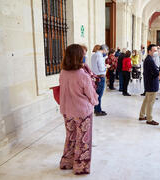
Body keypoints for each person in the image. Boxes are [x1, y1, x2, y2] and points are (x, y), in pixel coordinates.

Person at [59, 44, 98, 175]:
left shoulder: (63, 72)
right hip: (82, 111)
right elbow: (91, 94)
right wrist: (95, 102)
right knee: (83, 139)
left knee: (70, 137)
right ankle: (80, 167)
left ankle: (66, 162)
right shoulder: (82, 75)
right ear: (79, 56)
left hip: (66, 110)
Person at [139, 44, 160, 125]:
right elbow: (155, 73)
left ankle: (142, 115)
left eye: (156, 50)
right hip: (152, 84)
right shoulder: (150, 60)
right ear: (149, 51)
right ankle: (149, 119)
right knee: (150, 102)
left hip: (148, 83)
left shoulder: (149, 59)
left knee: (146, 100)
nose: (156, 52)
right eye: (154, 50)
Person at [91, 44, 109, 116]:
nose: (106, 52)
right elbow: (101, 68)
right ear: (104, 49)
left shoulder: (94, 55)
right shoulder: (100, 56)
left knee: (96, 94)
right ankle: (98, 111)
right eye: (106, 50)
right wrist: (106, 66)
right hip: (100, 77)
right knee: (99, 95)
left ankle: (97, 109)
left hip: (95, 76)